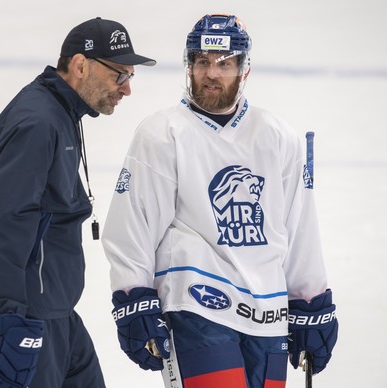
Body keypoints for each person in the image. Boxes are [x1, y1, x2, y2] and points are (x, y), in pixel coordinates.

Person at [102, 14, 338, 388]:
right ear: (189, 65)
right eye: (202, 62)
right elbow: (133, 222)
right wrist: (133, 295)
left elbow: (299, 225)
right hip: (195, 307)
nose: (211, 74)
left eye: (224, 64)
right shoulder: (163, 132)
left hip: (268, 312)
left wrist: (311, 300)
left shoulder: (278, 135)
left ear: (244, 70)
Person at [0, 17, 156, 388]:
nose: (126, 90)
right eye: (119, 76)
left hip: (54, 313)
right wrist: (12, 322)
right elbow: (5, 224)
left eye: (130, 77)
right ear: (81, 66)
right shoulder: (40, 123)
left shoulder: (57, 113)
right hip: (26, 320)